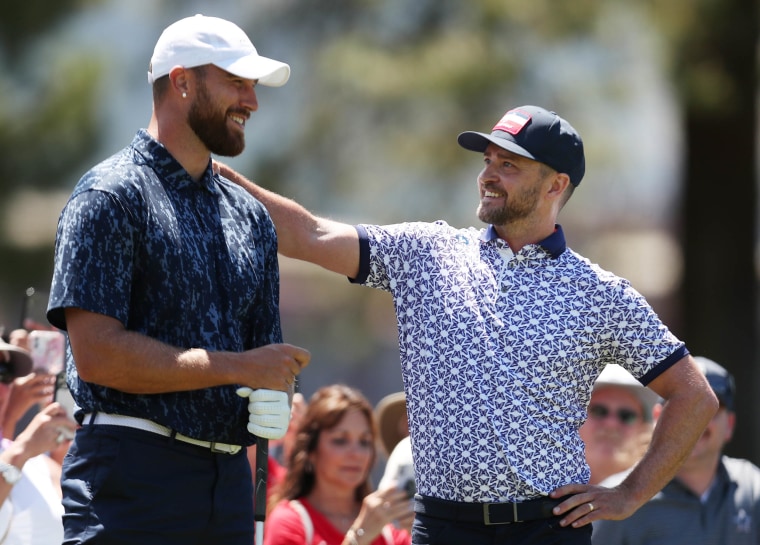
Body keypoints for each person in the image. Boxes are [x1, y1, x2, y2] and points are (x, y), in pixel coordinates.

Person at [220, 104, 718, 545]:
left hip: (546, 531)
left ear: (555, 184)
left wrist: (629, 493)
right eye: (487, 162)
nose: (489, 175)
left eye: (509, 164)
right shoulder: (427, 253)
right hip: (443, 527)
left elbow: (694, 396)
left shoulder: (600, 294)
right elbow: (311, 234)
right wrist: (216, 178)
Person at [45, 15, 310, 545]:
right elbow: (97, 353)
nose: (252, 102)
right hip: (130, 480)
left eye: (253, 87)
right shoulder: (110, 195)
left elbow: (261, 360)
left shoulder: (251, 216)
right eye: (237, 82)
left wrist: (273, 386)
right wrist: (240, 367)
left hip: (228, 489)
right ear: (183, 81)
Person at [591, 356, 760, 543]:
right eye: (683, 409)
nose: (695, 421)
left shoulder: (753, 488)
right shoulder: (617, 497)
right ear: (657, 418)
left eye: (710, 410)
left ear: (729, 425)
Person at [263, 384, 412, 545]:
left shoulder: (389, 529)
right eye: (340, 440)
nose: (356, 453)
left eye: (364, 442)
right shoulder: (289, 521)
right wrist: (358, 538)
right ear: (311, 450)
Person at [0, 338, 78, 544]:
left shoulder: (32, 460)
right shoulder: (20, 451)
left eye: (4, 373)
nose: (2, 386)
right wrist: (23, 447)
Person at [580, 364, 659, 485]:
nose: (611, 424)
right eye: (598, 411)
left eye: (627, 416)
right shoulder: (542, 492)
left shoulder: (668, 498)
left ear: (645, 429)